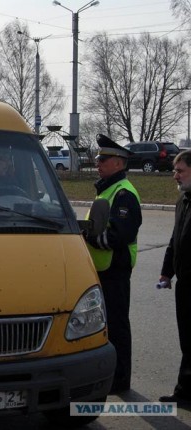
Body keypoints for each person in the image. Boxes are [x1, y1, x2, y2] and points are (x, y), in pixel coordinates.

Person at [84, 134, 142, 395]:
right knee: (105, 325)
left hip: (115, 269)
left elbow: (121, 235)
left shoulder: (124, 193)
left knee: (117, 326)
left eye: (103, 159)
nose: (98, 163)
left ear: (119, 163)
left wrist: (91, 239)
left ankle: (120, 381)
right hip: (102, 269)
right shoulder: (107, 188)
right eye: (98, 159)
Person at [158, 150, 191, 405]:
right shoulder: (183, 201)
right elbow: (174, 238)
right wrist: (166, 272)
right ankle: (185, 392)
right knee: (187, 340)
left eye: (180, 171)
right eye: (174, 170)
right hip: (184, 284)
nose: (175, 176)